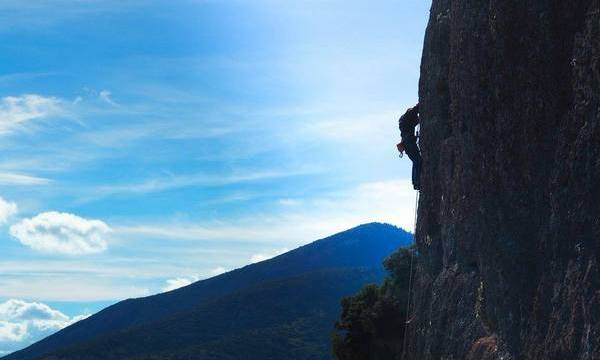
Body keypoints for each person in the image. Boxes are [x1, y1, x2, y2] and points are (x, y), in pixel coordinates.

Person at [397, 104, 421, 190]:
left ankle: (416, 182)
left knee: (416, 161)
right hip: (409, 142)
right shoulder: (409, 114)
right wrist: (420, 104)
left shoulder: (404, 121)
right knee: (417, 161)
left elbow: (414, 122)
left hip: (406, 144)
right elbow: (415, 110)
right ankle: (416, 182)